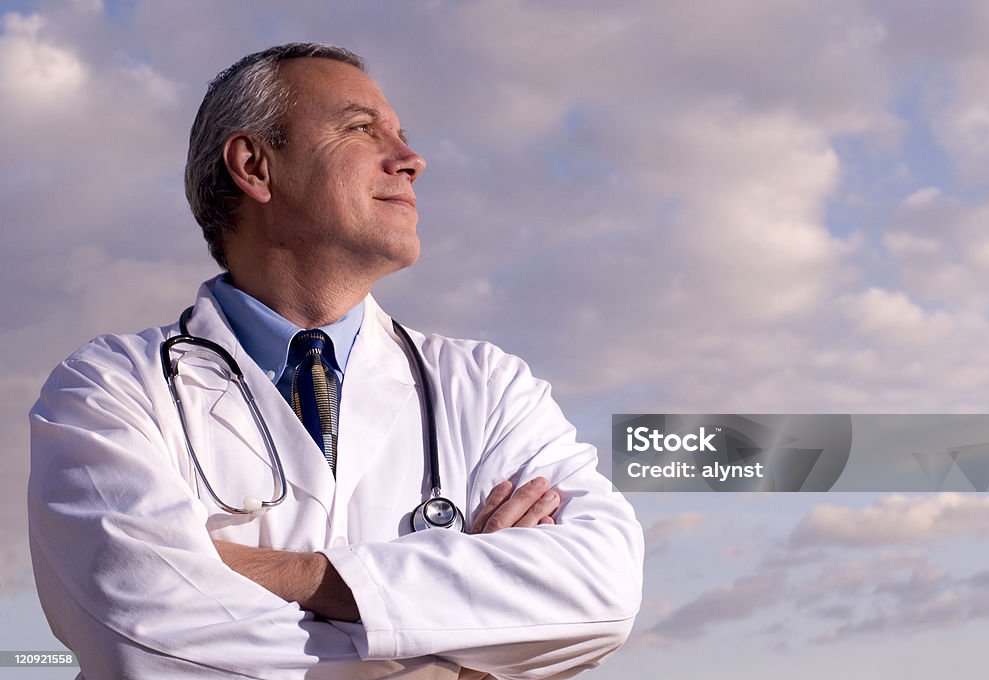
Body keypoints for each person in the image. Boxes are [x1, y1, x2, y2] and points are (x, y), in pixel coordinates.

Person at [28, 43, 644, 679]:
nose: (411, 160)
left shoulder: (487, 387)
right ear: (254, 166)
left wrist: (282, 573)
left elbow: (603, 589)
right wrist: (457, 648)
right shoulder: (109, 388)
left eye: (402, 136)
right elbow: (145, 638)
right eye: (360, 128)